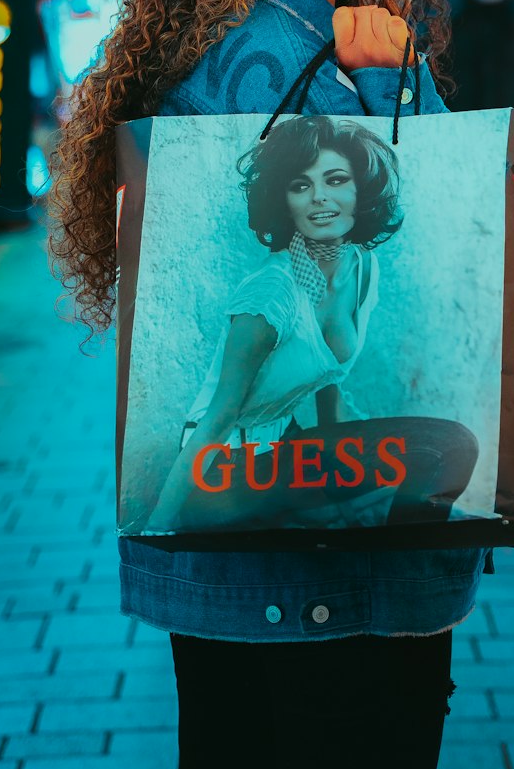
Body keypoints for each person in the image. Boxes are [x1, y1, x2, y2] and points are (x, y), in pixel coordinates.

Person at [49, 0, 488, 769]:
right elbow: (430, 253)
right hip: (314, 561)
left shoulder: (255, 38)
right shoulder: (273, 61)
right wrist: (392, 97)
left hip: (251, 541)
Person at [148, 114, 478, 534]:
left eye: (336, 180)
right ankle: (378, 543)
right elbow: (217, 420)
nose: (319, 197)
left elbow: (327, 379)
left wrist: (345, 461)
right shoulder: (270, 295)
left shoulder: (361, 268)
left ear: (362, 189)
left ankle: (386, 544)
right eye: (300, 186)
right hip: (226, 472)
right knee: (423, 473)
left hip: (289, 451)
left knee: (449, 448)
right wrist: (157, 528)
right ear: (284, 201)